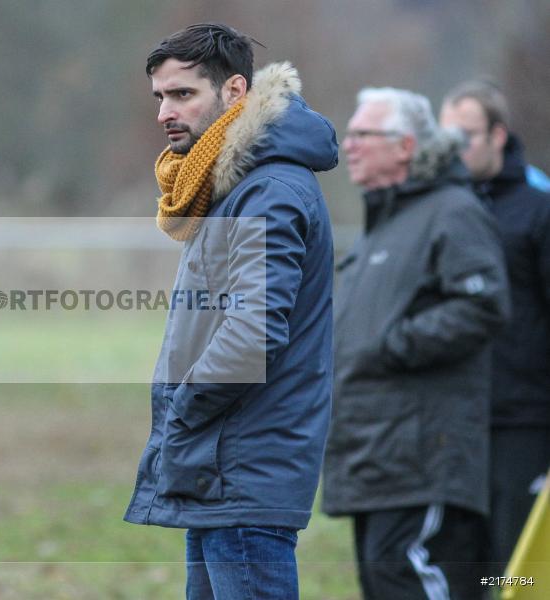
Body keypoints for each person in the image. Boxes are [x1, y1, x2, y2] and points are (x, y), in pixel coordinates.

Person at [123, 23, 339, 599]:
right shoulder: (227, 187)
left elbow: (251, 331)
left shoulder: (269, 189)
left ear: (235, 92)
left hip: (243, 463)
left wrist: (183, 405)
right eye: (160, 97)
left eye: (183, 94)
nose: (166, 112)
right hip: (219, 464)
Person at [322, 87, 510, 600]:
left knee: (413, 578)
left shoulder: (452, 211)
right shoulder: (381, 227)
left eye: (364, 134)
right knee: (384, 581)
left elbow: (482, 305)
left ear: (405, 146)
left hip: (422, 454)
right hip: (373, 451)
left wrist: (393, 346)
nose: (350, 145)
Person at [440, 80, 550, 569]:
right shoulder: (442, 206)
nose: (455, 150)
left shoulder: (537, 206)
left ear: (498, 135)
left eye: (465, 136)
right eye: (446, 138)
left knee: (515, 569)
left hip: (523, 421)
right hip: (456, 423)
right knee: (464, 566)